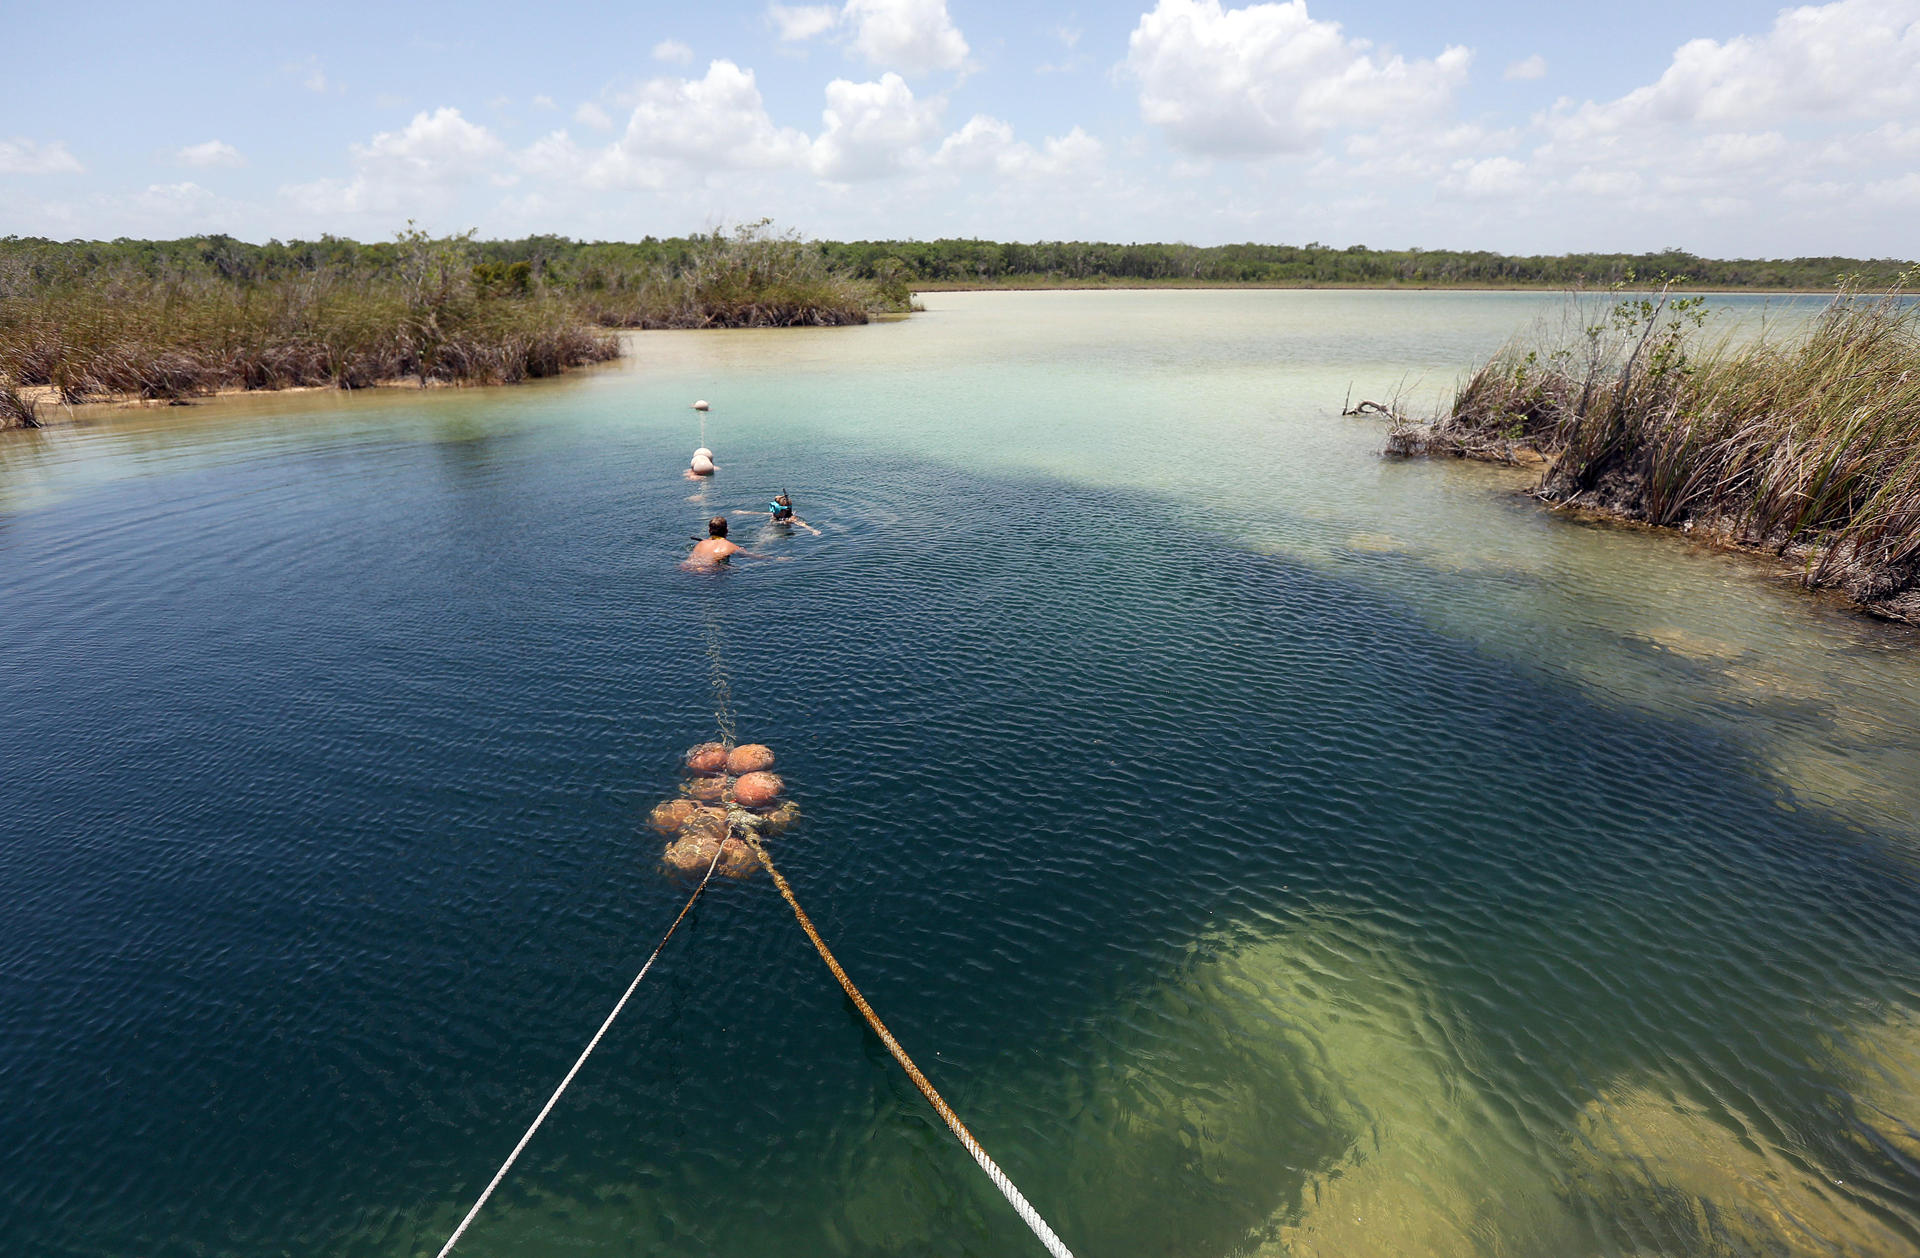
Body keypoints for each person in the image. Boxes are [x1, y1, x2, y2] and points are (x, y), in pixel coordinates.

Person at [685, 516, 769, 567]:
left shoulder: (700, 544)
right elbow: (753, 557)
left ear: (709, 530)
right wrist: (777, 559)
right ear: (727, 530)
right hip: (708, 572)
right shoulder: (731, 547)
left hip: (686, 568)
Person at [734, 490, 821, 536]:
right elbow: (761, 513)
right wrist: (744, 512)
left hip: (782, 532)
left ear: (784, 511)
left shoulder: (790, 518)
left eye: (775, 510)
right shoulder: (775, 515)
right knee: (762, 533)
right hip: (773, 528)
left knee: (765, 539)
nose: (773, 512)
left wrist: (813, 530)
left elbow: (802, 524)